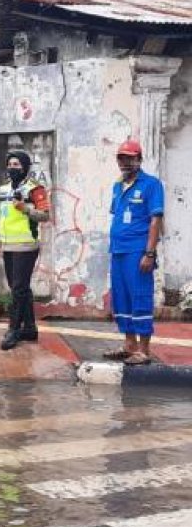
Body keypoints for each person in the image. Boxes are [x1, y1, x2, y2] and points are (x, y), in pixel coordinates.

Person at [104, 139, 164, 366]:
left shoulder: (151, 184)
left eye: (130, 158)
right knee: (121, 299)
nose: (126, 162)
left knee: (140, 297)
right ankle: (129, 345)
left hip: (138, 251)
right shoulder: (117, 186)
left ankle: (144, 350)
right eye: (122, 158)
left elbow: (155, 220)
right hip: (118, 250)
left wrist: (149, 253)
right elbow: (118, 215)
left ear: (139, 160)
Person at [0, 150, 51, 350]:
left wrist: (26, 209)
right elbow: (2, 218)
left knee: (18, 289)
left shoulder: (35, 189)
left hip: (26, 245)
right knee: (20, 288)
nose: (12, 168)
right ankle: (29, 328)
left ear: (25, 167)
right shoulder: (3, 189)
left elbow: (45, 215)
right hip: (8, 245)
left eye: (17, 164)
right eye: (10, 164)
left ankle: (14, 330)